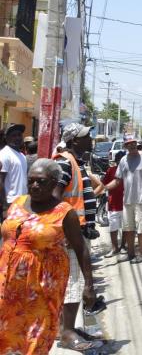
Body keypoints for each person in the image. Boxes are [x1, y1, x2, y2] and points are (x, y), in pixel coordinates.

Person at [0, 159, 99, 353]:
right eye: (31, 180)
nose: (34, 186)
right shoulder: (18, 203)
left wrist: (89, 286)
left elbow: (81, 249)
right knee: (7, 331)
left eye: (41, 181)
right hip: (8, 281)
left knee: (36, 335)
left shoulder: (64, 213)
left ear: (55, 182)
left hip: (43, 286)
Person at [53, 122, 107, 349]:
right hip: (70, 234)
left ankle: (68, 328)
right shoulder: (65, 162)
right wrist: (63, 228)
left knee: (72, 282)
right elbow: (55, 197)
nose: (91, 139)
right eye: (87, 136)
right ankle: (66, 333)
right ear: (75, 140)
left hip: (79, 231)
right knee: (74, 284)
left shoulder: (77, 162)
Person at [105, 137, 142, 263]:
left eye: (133, 143)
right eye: (128, 144)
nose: (131, 146)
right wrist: (103, 188)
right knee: (128, 228)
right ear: (125, 146)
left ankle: (141, 254)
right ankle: (130, 254)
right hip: (127, 200)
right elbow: (117, 180)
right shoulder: (123, 160)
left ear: (136, 144)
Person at [102, 150, 127, 258]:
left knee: (127, 227)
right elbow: (104, 184)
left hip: (126, 203)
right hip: (114, 204)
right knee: (113, 227)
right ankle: (114, 248)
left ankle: (123, 246)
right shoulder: (111, 170)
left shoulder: (129, 171)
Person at [0, 123, 28, 216]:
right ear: (6, 138)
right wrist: (4, 206)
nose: (18, 138)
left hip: (22, 202)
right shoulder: (4, 155)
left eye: (19, 135)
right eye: (13, 135)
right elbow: (0, 181)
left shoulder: (22, 155)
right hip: (10, 203)